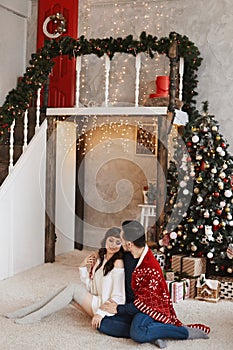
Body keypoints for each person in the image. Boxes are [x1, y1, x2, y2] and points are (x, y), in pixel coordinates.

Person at [99, 220, 210, 348]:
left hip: (148, 309)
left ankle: (183, 332)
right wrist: (95, 256)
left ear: (129, 244)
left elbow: (145, 304)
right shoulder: (128, 253)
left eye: (122, 238)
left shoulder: (150, 267)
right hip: (131, 305)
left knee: (138, 333)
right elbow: (110, 251)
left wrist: (118, 309)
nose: (120, 240)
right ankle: (153, 332)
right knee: (102, 323)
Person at [3, 227, 125, 328]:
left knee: (72, 289)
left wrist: (100, 313)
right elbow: (91, 287)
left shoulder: (118, 263)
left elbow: (119, 296)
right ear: (105, 241)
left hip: (104, 308)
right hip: (96, 300)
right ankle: (26, 311)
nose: (113, 245)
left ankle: (35, 316)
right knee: (65, 291)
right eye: (111, 240)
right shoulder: (101, 259)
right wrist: (83, 266)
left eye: (118, 242)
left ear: (121, 245)